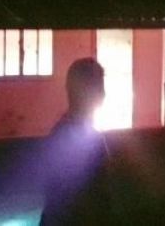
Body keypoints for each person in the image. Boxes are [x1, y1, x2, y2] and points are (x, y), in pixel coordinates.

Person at [40, 57, 113, 225]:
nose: (104, 93)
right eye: (99, 87)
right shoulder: (89, 141)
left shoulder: (59, 133)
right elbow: (97, 201)